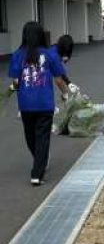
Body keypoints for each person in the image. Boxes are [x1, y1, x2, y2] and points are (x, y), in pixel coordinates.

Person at [8, 22, 68, 185]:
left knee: (32, 137)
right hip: (43, 104)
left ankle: (37, 170)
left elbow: (16, 81)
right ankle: (39, 165)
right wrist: (65, 93)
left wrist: (10, 91)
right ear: (42, 35)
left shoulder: (18, 55)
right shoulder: (49, 55)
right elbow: (58, 79)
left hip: (27, 105)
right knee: (39, 138)